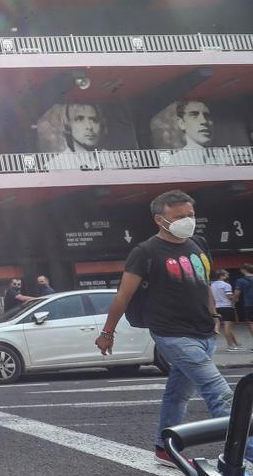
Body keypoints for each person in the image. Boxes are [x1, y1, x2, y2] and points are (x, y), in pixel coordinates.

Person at [95, 189, 253, 468]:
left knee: (178, 393)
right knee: (219, 392)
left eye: (190, 215)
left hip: (204, 332)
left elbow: (202, 283)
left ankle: (164, 449)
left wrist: (213, 315)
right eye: (179, 217)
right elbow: (123, 296)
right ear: (160, 220)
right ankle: (248, 453)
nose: (187, 221)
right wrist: (107, 332)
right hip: (172, 333)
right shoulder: (144, 252)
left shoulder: (199, 243)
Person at [46, 103, 111, 171]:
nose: (89, 127)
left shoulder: (115, 161)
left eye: (94, 120)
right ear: (67, 124)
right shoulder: (55, 166)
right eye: (79, 119)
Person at [170, 100, 231, 166]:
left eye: (207, 116)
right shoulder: (174, 163)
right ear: (181, 123)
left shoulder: (228, 159)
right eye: (194, 115)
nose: (204, 121)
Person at [211, 269, 241, 351]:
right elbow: (229, 296)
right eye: (226, 274)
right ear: (222, 276)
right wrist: (236, 298)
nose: (228, 276)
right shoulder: (226, 285)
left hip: (217, 307)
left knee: (226, 327)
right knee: (228, 327)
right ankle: (230, 346)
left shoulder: (212, 285)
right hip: (227, 306)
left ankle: (236, 343)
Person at [233, 265, 253, 347]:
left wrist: (233, 302)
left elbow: (236, 293)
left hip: (250, 304)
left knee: (251, 323)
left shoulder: (240, 281)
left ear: (244, 270)